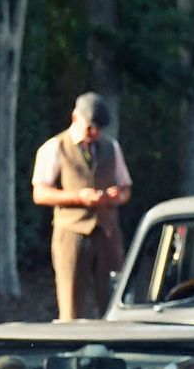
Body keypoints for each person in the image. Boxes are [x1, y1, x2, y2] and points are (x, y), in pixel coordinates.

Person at [31, 92, 131, 321]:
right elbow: (40, 193)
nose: (95, 133)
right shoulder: (54, 147)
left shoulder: (111, 147)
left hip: (107, 232)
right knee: (70, 305)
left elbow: (126, 187)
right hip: (71, 233)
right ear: (75, 117)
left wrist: (117, 196)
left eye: (99, 129)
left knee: (114, 301)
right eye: (90, 128)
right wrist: (78, 197)